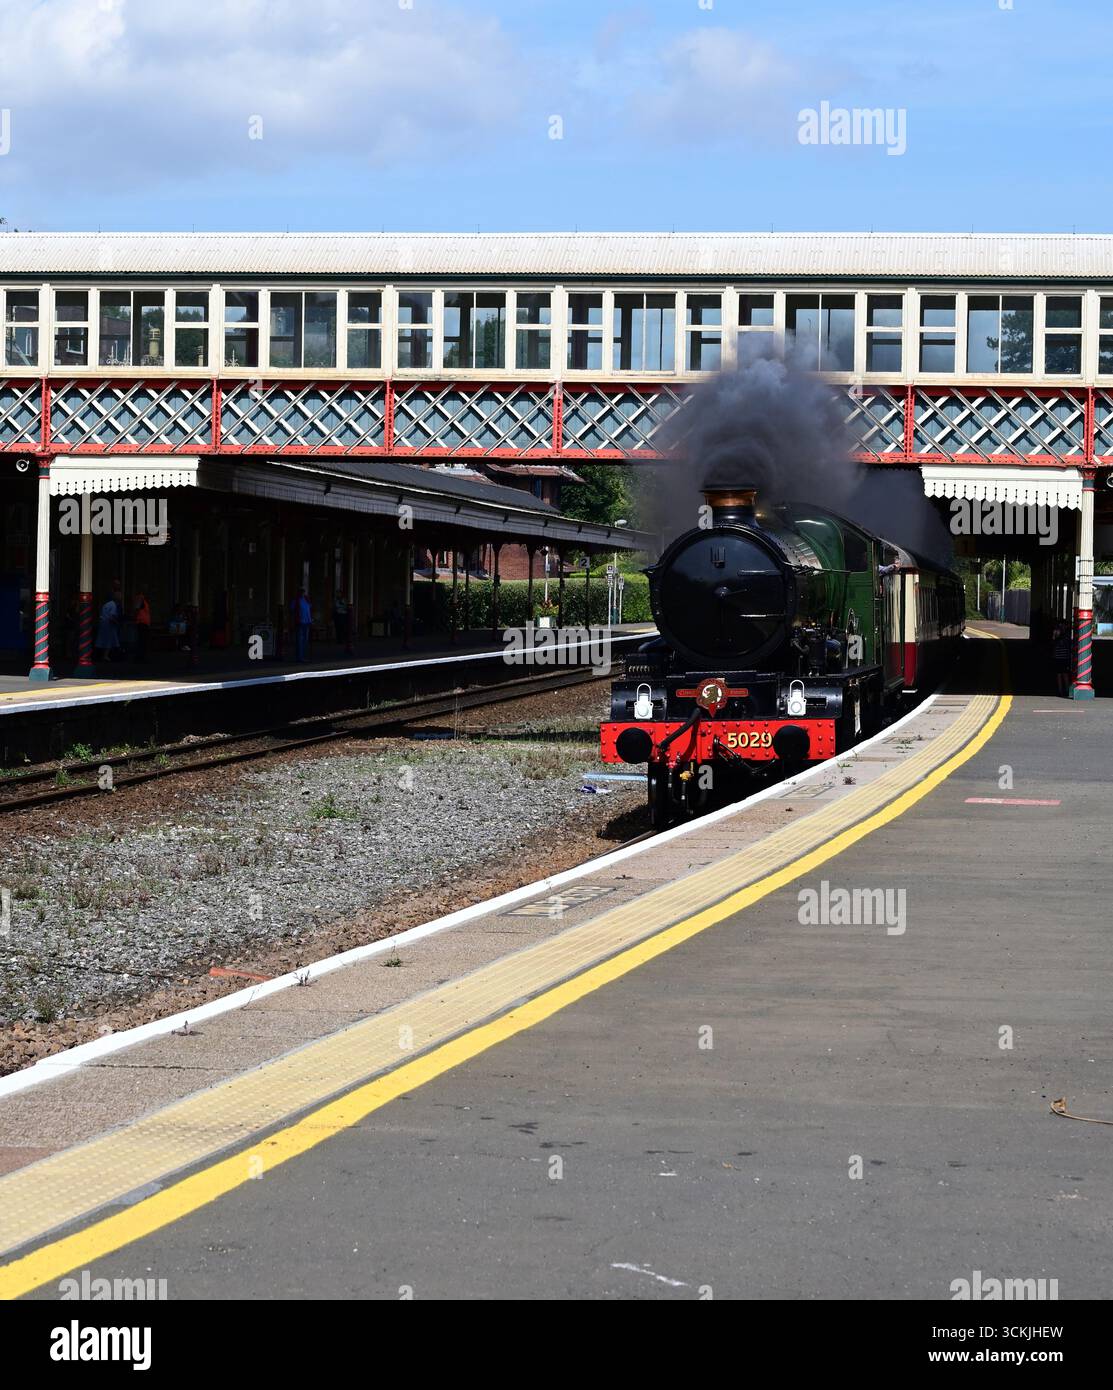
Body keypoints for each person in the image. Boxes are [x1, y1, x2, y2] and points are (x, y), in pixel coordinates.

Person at [95, 590, 121, 662]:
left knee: (103, 640)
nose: (120, 597)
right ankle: (106, 656)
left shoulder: (107, 604)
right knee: (109, 641)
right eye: (119, 595)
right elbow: (112, 617)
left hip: (103, 624)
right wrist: (117, 623)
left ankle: (102, 655)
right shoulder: (113, 605)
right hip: (108, 625)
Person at [1051, 620, 1071, 697]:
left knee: (1060, 674)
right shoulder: (1066, 635)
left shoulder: (1058, 634)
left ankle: (1062, 690)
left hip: (1058, 656)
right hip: (1063, 657)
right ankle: (1065, 690)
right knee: (1063, 674)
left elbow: (1053, 642)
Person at [291, 588, 312, 662]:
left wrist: (310, 620)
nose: (303, 594)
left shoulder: (306, 600)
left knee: (304, 640)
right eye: (301, 592)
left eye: (303, 592)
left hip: (306, 622)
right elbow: (292, 609)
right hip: (300, 622)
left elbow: (308, 610)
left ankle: (302, 656)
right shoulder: (296, 601)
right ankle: (299, 657)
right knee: (300, 640)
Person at [132, 592, 151, 662]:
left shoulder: (143, 601)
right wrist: (135, 617)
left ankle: (140, 657)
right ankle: (140, 657)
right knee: (142, 641)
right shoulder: (141, 599)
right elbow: (137, 610)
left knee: (142, 641)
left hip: (143, 623)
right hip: (142, 623)